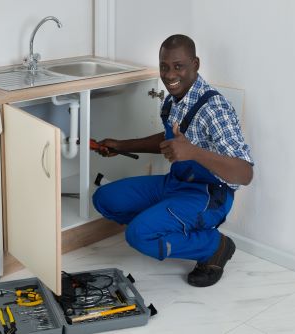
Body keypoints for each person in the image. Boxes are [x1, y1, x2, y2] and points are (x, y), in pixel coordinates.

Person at [92, 34, 254, 287]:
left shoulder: (215, 109)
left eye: (178, 66)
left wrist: (193, 152)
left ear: (195, 64)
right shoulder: (172, 101)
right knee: (105, 199)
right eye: (164, 66)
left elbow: (245, 173)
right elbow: (170, 142)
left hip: (209, 196)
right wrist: (122, 145)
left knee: (139, 235)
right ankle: (165, 222)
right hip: (175, 184)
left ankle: (213, 246)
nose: (169, 75)